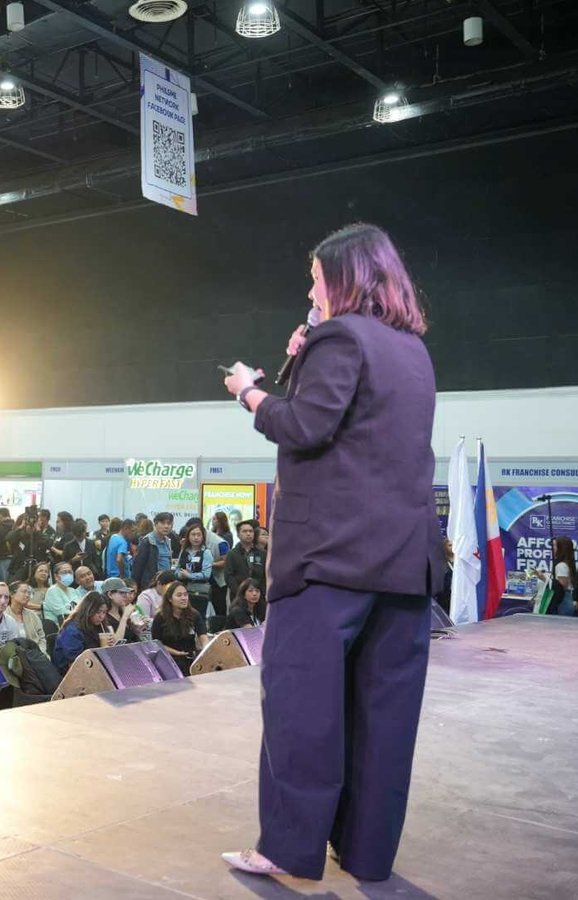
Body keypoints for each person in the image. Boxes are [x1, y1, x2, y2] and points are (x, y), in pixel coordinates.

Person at [219, 223, 441, 880]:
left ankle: (287, 849)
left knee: (302, 708)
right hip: (403, 560)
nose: (309, 287)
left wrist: (248, 391)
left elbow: (303, 425)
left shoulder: (339, 337)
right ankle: (368, 854)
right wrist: (302, 352)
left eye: (316, 276)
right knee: (383, 718)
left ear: (342, 277)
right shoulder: (412, 350)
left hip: (330, 559)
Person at [52, 591, 112, 674]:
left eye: (104, 612)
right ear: (88, 610)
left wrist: (107, 647)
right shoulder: (72, 630)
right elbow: (76, 663)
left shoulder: (98, 626)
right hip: (70, 674)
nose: (102, 616)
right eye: (98, 612)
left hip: (92, 667)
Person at [152, 582, 206, 674]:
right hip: (168, 659)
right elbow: (156, 644)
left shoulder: (194, 614)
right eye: (179, 595)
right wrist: (177, 653)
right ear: (170, 599)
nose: (184, 598)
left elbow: (203, 636)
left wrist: (205, 650)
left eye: (185, 595)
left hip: (190, 659)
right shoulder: (160, 617)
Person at [176, 521, 218, 619]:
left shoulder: (206, 553)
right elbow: (177, 569)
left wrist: (189, 575)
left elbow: (206, 574)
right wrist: (179, 574)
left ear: (203, 537)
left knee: (198, 618)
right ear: (188, 536)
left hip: (199, 592)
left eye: (198, 535)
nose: (196, 537)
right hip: (184, 590)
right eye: (193, 535)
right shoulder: (184, 551)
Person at [224, 520, 267, 598]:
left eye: (251, 531)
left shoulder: (262, 553)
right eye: (244, 531)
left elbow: (265, 575)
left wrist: (261, 591)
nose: (248, 534)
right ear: (238, 535)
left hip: (258, 595)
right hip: (238, 596)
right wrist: (240, 592)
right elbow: (228, 576)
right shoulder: (232, 554)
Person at [6, 580, 48, 655]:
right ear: (12, 594)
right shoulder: (4, 615)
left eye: (29, 593)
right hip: (14, 656)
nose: (27, 595)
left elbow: (42, 638)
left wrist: (40, 652)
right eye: (24, 592)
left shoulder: (33, 615)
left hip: (36, 655)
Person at [541, 536, 577, 616]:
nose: (552, 548)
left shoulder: (561, 565)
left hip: (563, 601)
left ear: (562, 548)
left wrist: (543, 577)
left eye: (555, 545)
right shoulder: (563, 563)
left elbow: (561, 586)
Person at [43, 562, 80, 627]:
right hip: (59, 629)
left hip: (76, 624)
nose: (68, 575)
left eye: (70, 572)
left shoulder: (73, 590)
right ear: (56, 576)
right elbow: (63, 613)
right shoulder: (52, 591)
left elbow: (82, 608)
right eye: (64, 572)